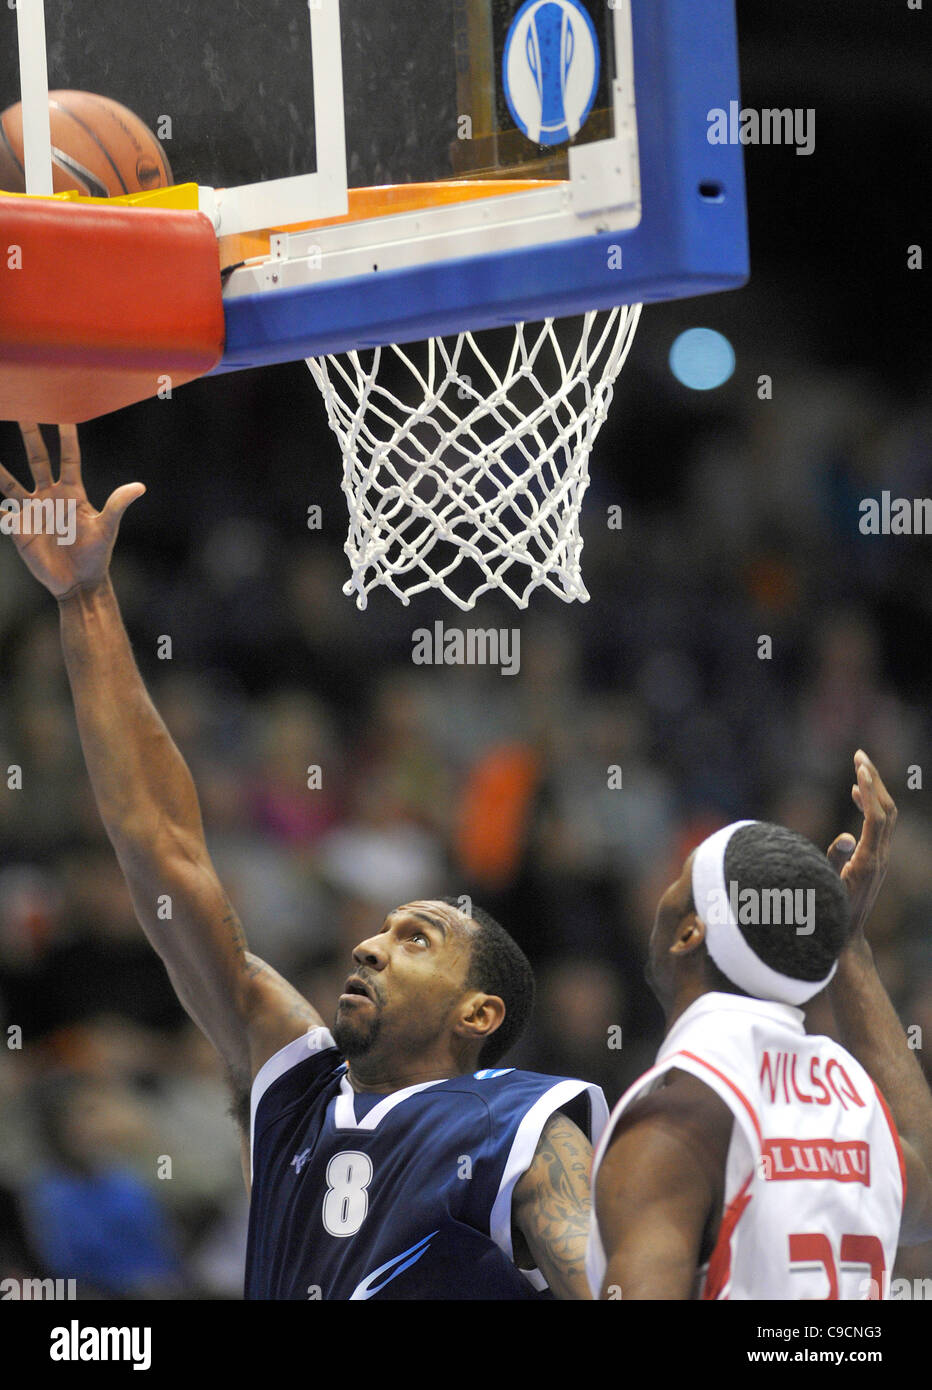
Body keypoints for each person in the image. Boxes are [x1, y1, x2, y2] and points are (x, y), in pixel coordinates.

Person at [0, 423, 607, 1301]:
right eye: (383, 928)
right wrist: (83, 600)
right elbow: (165, 854)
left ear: (480, 1012)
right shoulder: (294, 1080)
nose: (369, 945)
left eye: (418, 939)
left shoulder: (518, 1121)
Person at [587, 750, 932, 1299]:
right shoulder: (854, 1098)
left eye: (680, 879)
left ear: (688, 934)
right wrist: (850, 945)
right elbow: (925, 1192)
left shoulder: (677, 1116)